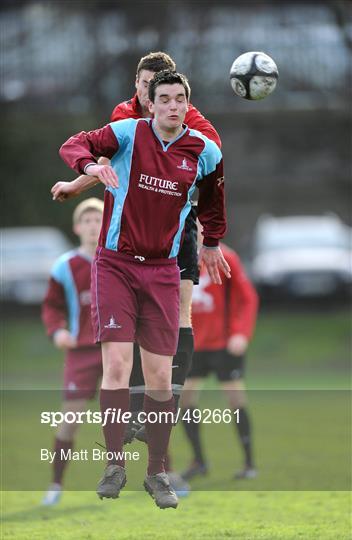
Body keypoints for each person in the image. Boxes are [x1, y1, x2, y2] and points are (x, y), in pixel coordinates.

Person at [51, 52, 222, 492]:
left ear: (187, 103)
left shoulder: (204, 144)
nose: (164, 102)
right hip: (118, 262)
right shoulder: (126, 126)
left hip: (167, 257)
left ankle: (157, 466)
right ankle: (114, 463)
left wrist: (213, 240)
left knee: (163, 369)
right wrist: (83, 174)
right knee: (117, 363)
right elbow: (85, 150)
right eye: (155, 93)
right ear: (143, 94)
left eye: (175, 97)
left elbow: (214, 195)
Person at [181, 220, 258, 481]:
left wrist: (240, 333)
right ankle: (199, 462)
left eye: (199, 224)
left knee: (235, 401)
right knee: (185, 400)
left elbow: (247, 298)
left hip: (224, 345)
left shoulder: (227, 258)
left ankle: (249, 464)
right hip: (193, 346)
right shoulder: (177, 259)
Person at [41, 198, 104, 505]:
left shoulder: (121, 260)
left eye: (99, 220)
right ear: (78, 227)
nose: (93, 226)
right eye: (88, 221)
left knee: (141, 413)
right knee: (69, 420)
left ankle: (164, 476)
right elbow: (51, 306)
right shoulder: (65, 265)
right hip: (81, 353)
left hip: (119, 349)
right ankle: (55, 485)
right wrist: (58, 331)